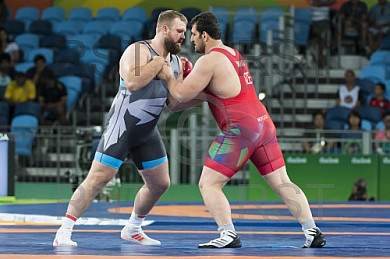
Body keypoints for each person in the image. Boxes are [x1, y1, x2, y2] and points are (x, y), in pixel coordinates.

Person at [158, 12, 326, 249]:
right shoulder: (233, 54)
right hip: (263, 124)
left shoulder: (208, 60)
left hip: (241, 129)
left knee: (209, 184)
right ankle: (312, 230)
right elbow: (185, 100)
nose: (190, 40)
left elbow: (180, 94)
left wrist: (167, 75)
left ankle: (227, 234)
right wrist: (186, 78)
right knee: (281, 181)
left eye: (194, 35)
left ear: (205, 35)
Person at [53, 10, 187, 247]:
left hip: (147, 132)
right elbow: (133, 82)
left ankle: (133, 228)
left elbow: (175, 105)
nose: (183, 37)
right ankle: (64, 229)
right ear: (164, 29)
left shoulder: (176, 62)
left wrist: (175, 78)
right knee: (96, 180)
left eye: (185, 33)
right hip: (122, 126)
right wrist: (157, 63)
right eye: (179, 31)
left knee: (160, 183)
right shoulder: (139, 51)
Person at [310, 0, 335, 68]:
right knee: (319, 42)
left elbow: (333, 2)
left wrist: (321, 4)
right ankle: (319, 60)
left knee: (324, 41)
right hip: (314, 22)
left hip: (325, 21)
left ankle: (321, 61)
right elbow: (315, 3)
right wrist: (326, 3)